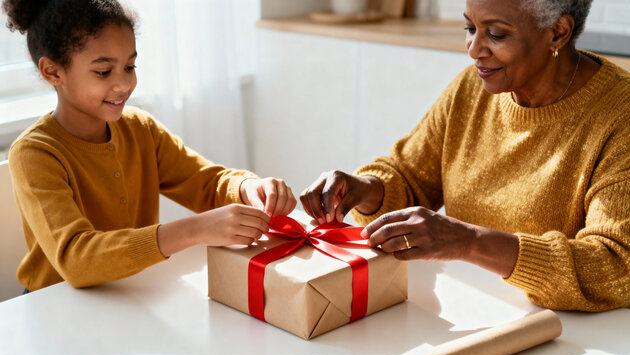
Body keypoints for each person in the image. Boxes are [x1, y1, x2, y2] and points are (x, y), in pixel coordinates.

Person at [301, 0, 630, 312]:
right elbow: (409, 176)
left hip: (568, 337)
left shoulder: (619, 115)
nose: (473, 50)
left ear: (557, 32)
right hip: (467, 311)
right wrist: (366, 189)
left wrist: (468, 241)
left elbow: (614, 265)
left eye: (496, 34)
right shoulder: (472, 89)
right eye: (470, 28)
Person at [3, 0, 297, 292]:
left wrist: (247, 187)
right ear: (53, 72)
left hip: (132, 291)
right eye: (104, 71)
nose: (124, 84)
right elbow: (77, 258)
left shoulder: (140, 128)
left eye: (130, 66)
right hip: (55, 308)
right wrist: (195, 229)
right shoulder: (35, 153)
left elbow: (204, 182)